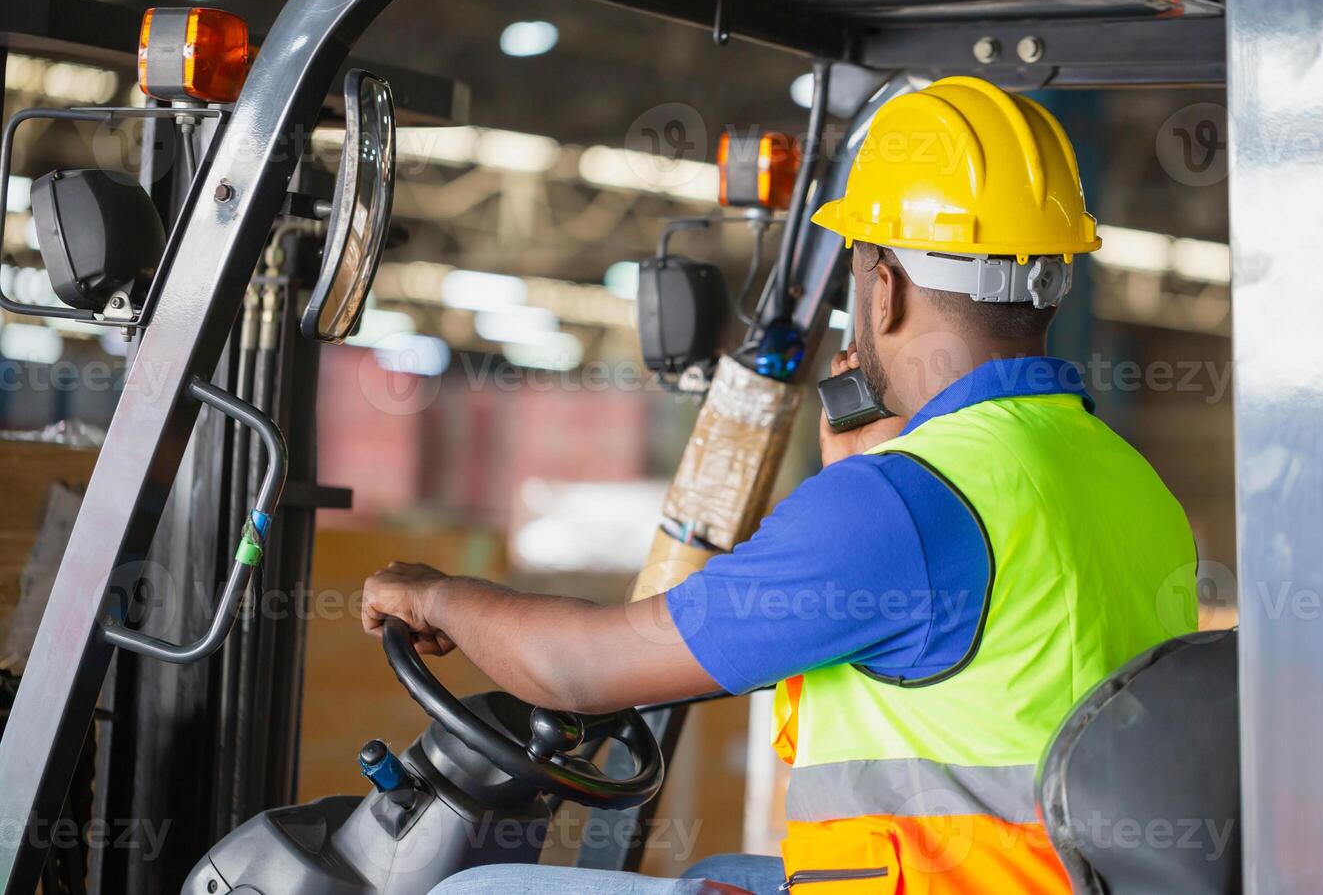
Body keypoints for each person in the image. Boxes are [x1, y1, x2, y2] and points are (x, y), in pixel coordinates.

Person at [363, 77, 1199, 894]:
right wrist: (864, 482)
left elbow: (575, 671)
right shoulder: (1126, 479)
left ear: (885, 286)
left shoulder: (901, 508)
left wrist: (437, 597)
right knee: (718, 876)